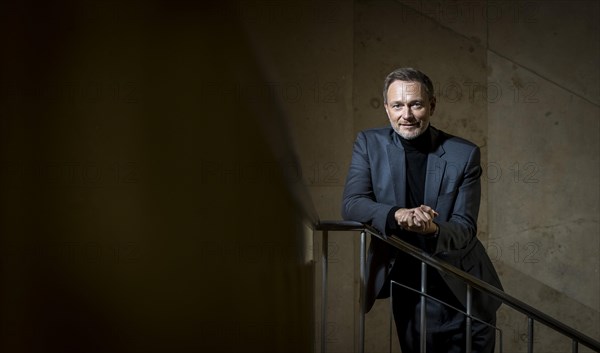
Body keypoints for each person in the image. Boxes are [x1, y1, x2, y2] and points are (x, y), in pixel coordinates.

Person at [342, 68, 503, 353]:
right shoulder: (369, 144)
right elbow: (352, 204)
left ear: (432, 105)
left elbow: (465, 227)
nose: (407, 115)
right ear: (386, 108)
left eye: (416, 104)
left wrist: (434, 230)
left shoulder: (463, 153)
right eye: (397, 105)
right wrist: (397, 214)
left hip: (464, 289)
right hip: (410, 290)